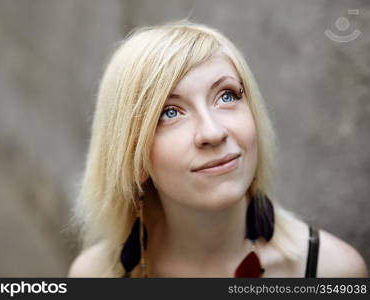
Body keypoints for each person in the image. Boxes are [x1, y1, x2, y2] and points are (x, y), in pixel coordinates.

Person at [68, 20, 368, 278]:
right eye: (169, 112)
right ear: (134, 159)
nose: (212, 132)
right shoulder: (95, 276)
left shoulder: (331, 271)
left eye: (227, 96)